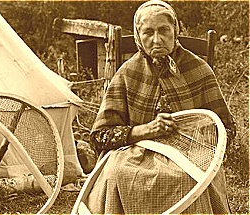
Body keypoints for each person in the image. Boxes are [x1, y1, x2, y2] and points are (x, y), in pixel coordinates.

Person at [86, 0, 236, 214]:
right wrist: (145, 130)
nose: (157, 39)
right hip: (133, 151)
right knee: (118, 173)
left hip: (189, 152)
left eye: (164, 30)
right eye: (148, 32)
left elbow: (226, 128)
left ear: (176, 30)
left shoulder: (198, 69)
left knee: (187, 178)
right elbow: (100, 136)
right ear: (138, 36)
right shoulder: (128, 73)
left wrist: (200, 140)